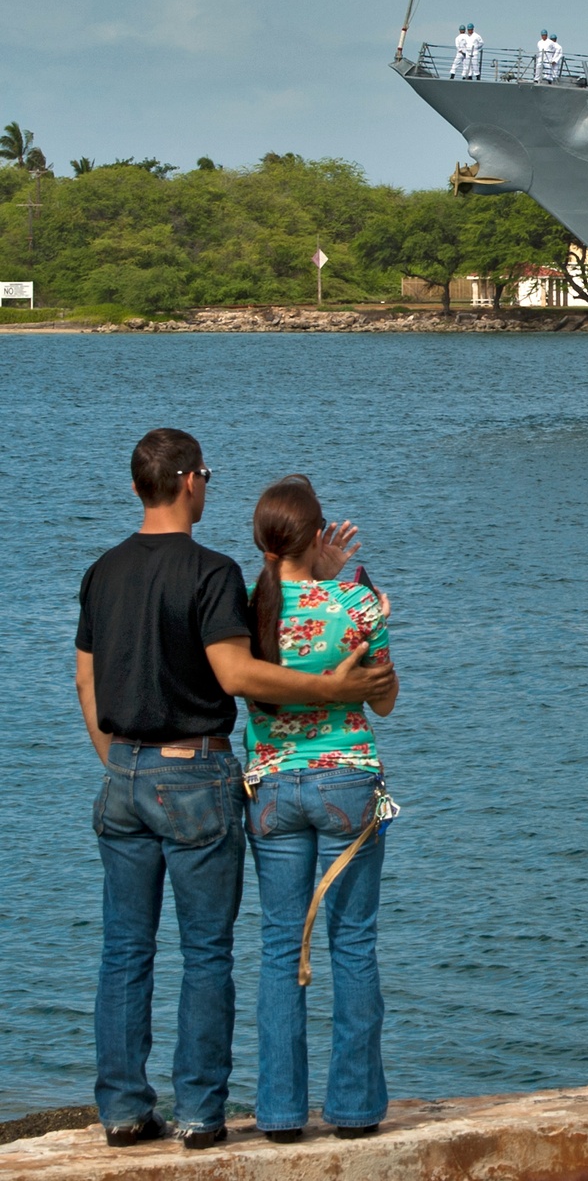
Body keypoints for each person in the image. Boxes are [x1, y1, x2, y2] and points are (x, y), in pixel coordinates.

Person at [75, 429, 393, 1152]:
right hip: (197, 770)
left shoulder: (101, 571)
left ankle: (125, 1109)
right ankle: (198, 1113)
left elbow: (85, 681)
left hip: (123, 769)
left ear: (136, 489)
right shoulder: (212, 572)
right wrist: (331, 680)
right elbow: (237, 675)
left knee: (125, 949)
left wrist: (121, 761)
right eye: (207, 475)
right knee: (207, 952)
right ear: (190, 482)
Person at [244, 476, 399, 1144]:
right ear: (317, 534)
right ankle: (355, 1109)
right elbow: (385, 700)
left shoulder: (251, 607)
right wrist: (347, 585)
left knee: (281, 945)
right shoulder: (360, 602)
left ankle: (279, 1115)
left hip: (274, 785)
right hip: (347, 784)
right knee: (352, 943)